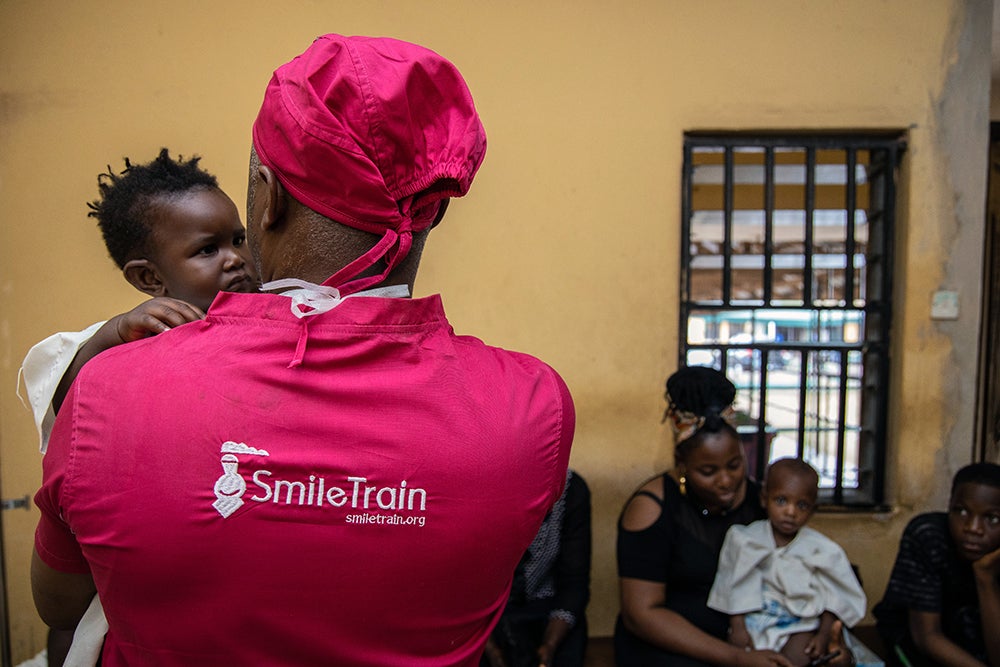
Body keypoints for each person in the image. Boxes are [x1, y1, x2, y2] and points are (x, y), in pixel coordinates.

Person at [31, 33, 574, 667]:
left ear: (268, 195)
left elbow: (61, 604)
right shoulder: (531, 406)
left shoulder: (107, 391)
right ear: (435, 212)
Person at [19, 148, 258, 667]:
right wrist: (112, 334)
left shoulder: (265, 320)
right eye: (207, 249)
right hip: (141, 561)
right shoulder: (137, 336)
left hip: (222, 556)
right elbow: (65, 389)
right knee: (79, 631)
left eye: (239, 238)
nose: (237, 258)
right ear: (150, 279)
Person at [614, 365, 854, 667]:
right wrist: (735, 658)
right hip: (674, 648)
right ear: (682, 463)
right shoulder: (651, 508)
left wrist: (830, 640)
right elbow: (641, 615)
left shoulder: (764, 503)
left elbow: (808, 575)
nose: (726, 481)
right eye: (708, 471)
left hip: (758, 639)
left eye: (734, 465)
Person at [707, 458, 867, 667]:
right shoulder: (745, 539)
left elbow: (834, 597)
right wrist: (737, 627)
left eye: (801, 505)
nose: (791, 512)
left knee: (796, 659)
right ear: (764, 499)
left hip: (800, 626)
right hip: (753, 624)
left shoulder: (821, 549)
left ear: (812, 510)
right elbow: (732, 584)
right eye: (781, 501)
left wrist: (823, 634)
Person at [873, 462, 1000, 666]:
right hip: (913, 643)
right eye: (962, 511)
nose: (973, 528)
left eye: (992, 519)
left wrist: (985, 577)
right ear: (949, 506)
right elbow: (927, 638)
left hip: (975, 646)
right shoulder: (929, 536)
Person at [481, 469, 591, 667]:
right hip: (480, 616)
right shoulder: (474, 486)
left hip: (545, 612)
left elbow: (574, 583)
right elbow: (451, 585)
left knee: (571, 635)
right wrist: (489, 648)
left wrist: (549, 645)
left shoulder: (571, 489)